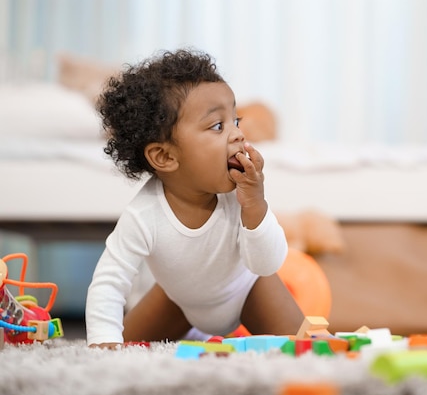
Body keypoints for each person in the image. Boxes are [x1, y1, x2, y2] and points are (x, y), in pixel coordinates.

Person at [85, 49, 304, 348]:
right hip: (177, 300)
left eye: (236, 121)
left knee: (304, 349)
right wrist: (102, 341)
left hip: (249, 291)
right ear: (164, 156)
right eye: (218, 125)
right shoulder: (144, 215)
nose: (238, 135)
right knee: (123, 347)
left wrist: (256, 203)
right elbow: (109, 282)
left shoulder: (241, 195)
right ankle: (198, 334)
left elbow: (267, 264)